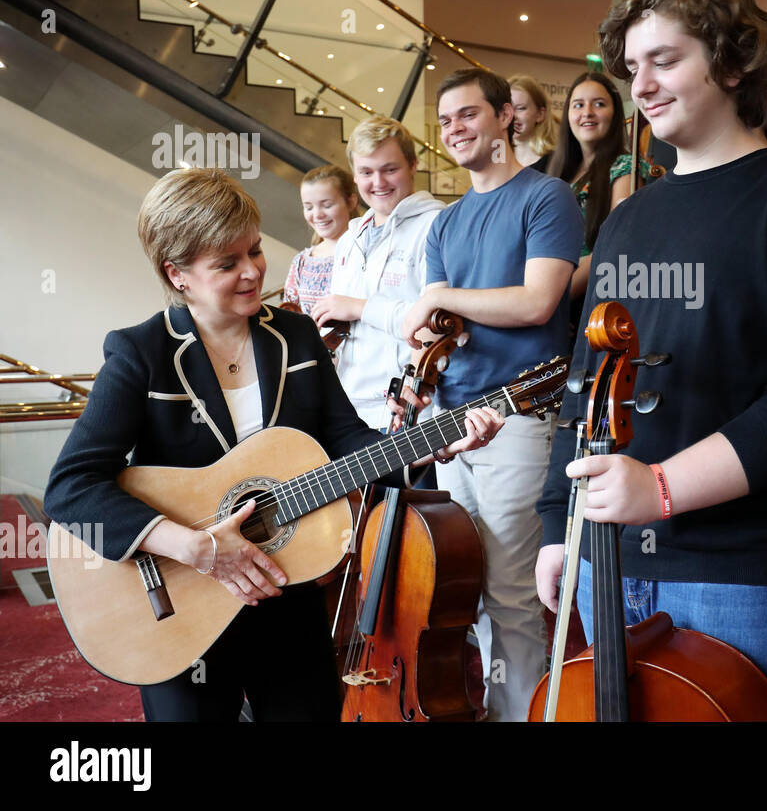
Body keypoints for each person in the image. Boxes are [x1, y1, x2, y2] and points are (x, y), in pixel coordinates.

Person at [42, 168, 502, 722]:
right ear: (178, 273)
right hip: (176, 606)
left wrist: (428, 446)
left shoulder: (298, 335)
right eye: (226, 263)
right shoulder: (142, 353)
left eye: (255, 251)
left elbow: (348, 445)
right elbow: (71, 488)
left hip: (288, 595)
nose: (252, 272)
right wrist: (195, 547)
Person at [534, 0, 767, 713]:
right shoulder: (628, 218)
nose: (642, 86)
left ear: (730, 62)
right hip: (609, 559)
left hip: (743, 573)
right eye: (631, 69)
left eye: (665, 59)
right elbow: (583, 381)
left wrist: (658, 489)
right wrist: (555, 525)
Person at [400, 67, 584, 722]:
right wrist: (422, 333)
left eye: (468, 114)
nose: (454, 129)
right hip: (450, 428)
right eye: (445, 120)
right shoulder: (445, 224)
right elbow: (437, 326)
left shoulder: (548, 197)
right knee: (464, 593)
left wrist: (437, 297)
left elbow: (538, 302)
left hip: (522, 418)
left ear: (507, 115)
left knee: (512, 596)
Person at [311, 116, 445, 430]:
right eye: (367, 172)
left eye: (390, 169)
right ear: (354, 177)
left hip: (405, 407)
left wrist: (359, 307)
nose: (379, 183)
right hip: (349, 405)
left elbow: (437, 322)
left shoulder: (436, 225)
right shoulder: (350, 238)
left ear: (413, 165)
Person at [545, 71, 653, 301]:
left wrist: (552, 301)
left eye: (599, 104)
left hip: (588, 305)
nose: (587, 113)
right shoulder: (558, 173)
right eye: (578, 105)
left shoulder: (625, 167)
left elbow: (616, 248)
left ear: (614, 114)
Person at [282, 165, 361, 317]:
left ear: (351, 202)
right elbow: (289, 316)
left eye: (327, 205)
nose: (317, 214)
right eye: (309, 207)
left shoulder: (365, 252)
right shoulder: (301, 262)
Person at [509, 75, 559, 168]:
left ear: (540, 114)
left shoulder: (555, 162)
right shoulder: (496, 158)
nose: (512, 116)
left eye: (521, 108)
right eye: (507, 109)